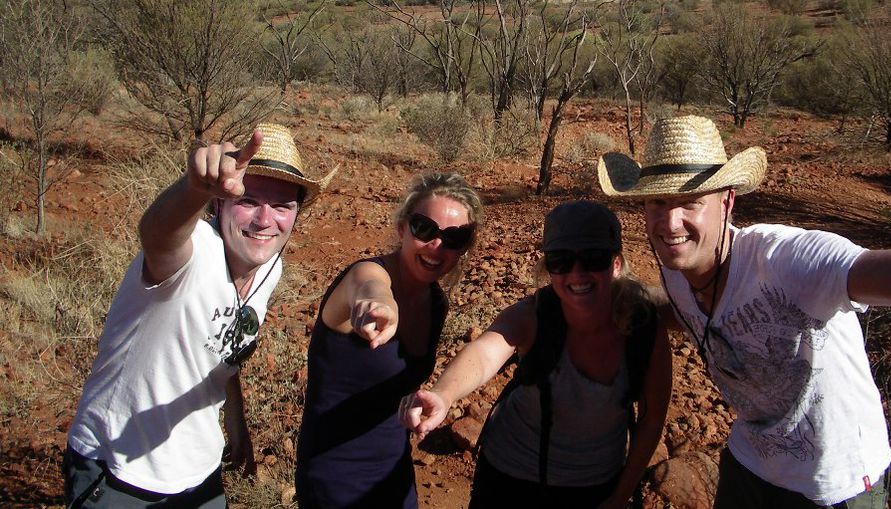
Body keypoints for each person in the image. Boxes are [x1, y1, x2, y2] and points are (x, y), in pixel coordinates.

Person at [597, 115, 891, 509]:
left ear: (727, 202)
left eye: (690, 202)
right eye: (657, 202)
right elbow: (684, 314)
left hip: (835, 485)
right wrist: (601, 302)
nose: (670, 223)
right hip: (750, 464)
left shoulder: (786, 261)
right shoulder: (677, 270)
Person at [64, 123, 334, 508]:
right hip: (120, 471)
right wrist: (193, 187)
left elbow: (224, 343)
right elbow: (158, 235)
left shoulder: (269, 265)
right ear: (219, 203)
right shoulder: (194, 253)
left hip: (200, 476)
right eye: (249, 200)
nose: (264, 220)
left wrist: (235, 421)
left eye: (281, 206)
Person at [401, 200, 672, 509]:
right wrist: (444, 394)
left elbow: (652, 419)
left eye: (594, 258)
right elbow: (485, 352)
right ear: (548, 268)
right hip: (512, 476)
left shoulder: (644, 330)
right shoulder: (535, 316)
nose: (577, 273)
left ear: (616, 264)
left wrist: (621, 494)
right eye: (561, 261)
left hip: (595, 484)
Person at [294, 172, 483, 509]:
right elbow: (368, 286)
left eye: (455, 237)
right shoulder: (364, 275)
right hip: (334, 474)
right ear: (402, 229)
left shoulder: (436, 303)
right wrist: (377, 301)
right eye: (425, 229)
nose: (437, 246)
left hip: (393, 468)